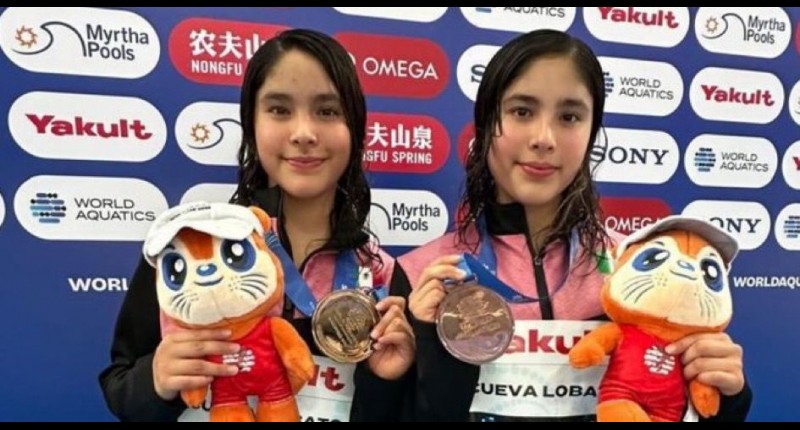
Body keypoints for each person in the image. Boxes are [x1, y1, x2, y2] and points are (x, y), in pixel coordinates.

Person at [398, 29, 751, 422]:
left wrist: (728, 399)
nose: (544, 138)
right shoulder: (422, 276)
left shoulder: (638, 270)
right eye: (522, 111)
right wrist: (434, 346)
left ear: (590, 132)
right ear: (485, 123)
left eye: (569, 117)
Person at [99, 29, 415, 422]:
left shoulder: (381, 273)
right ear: (251, 124)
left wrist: (385, 382)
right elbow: (121, 388)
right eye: (279, 110)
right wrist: (156, 380)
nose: (304, 133)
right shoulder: (189, 245)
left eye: (327, 111)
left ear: (356, 128)